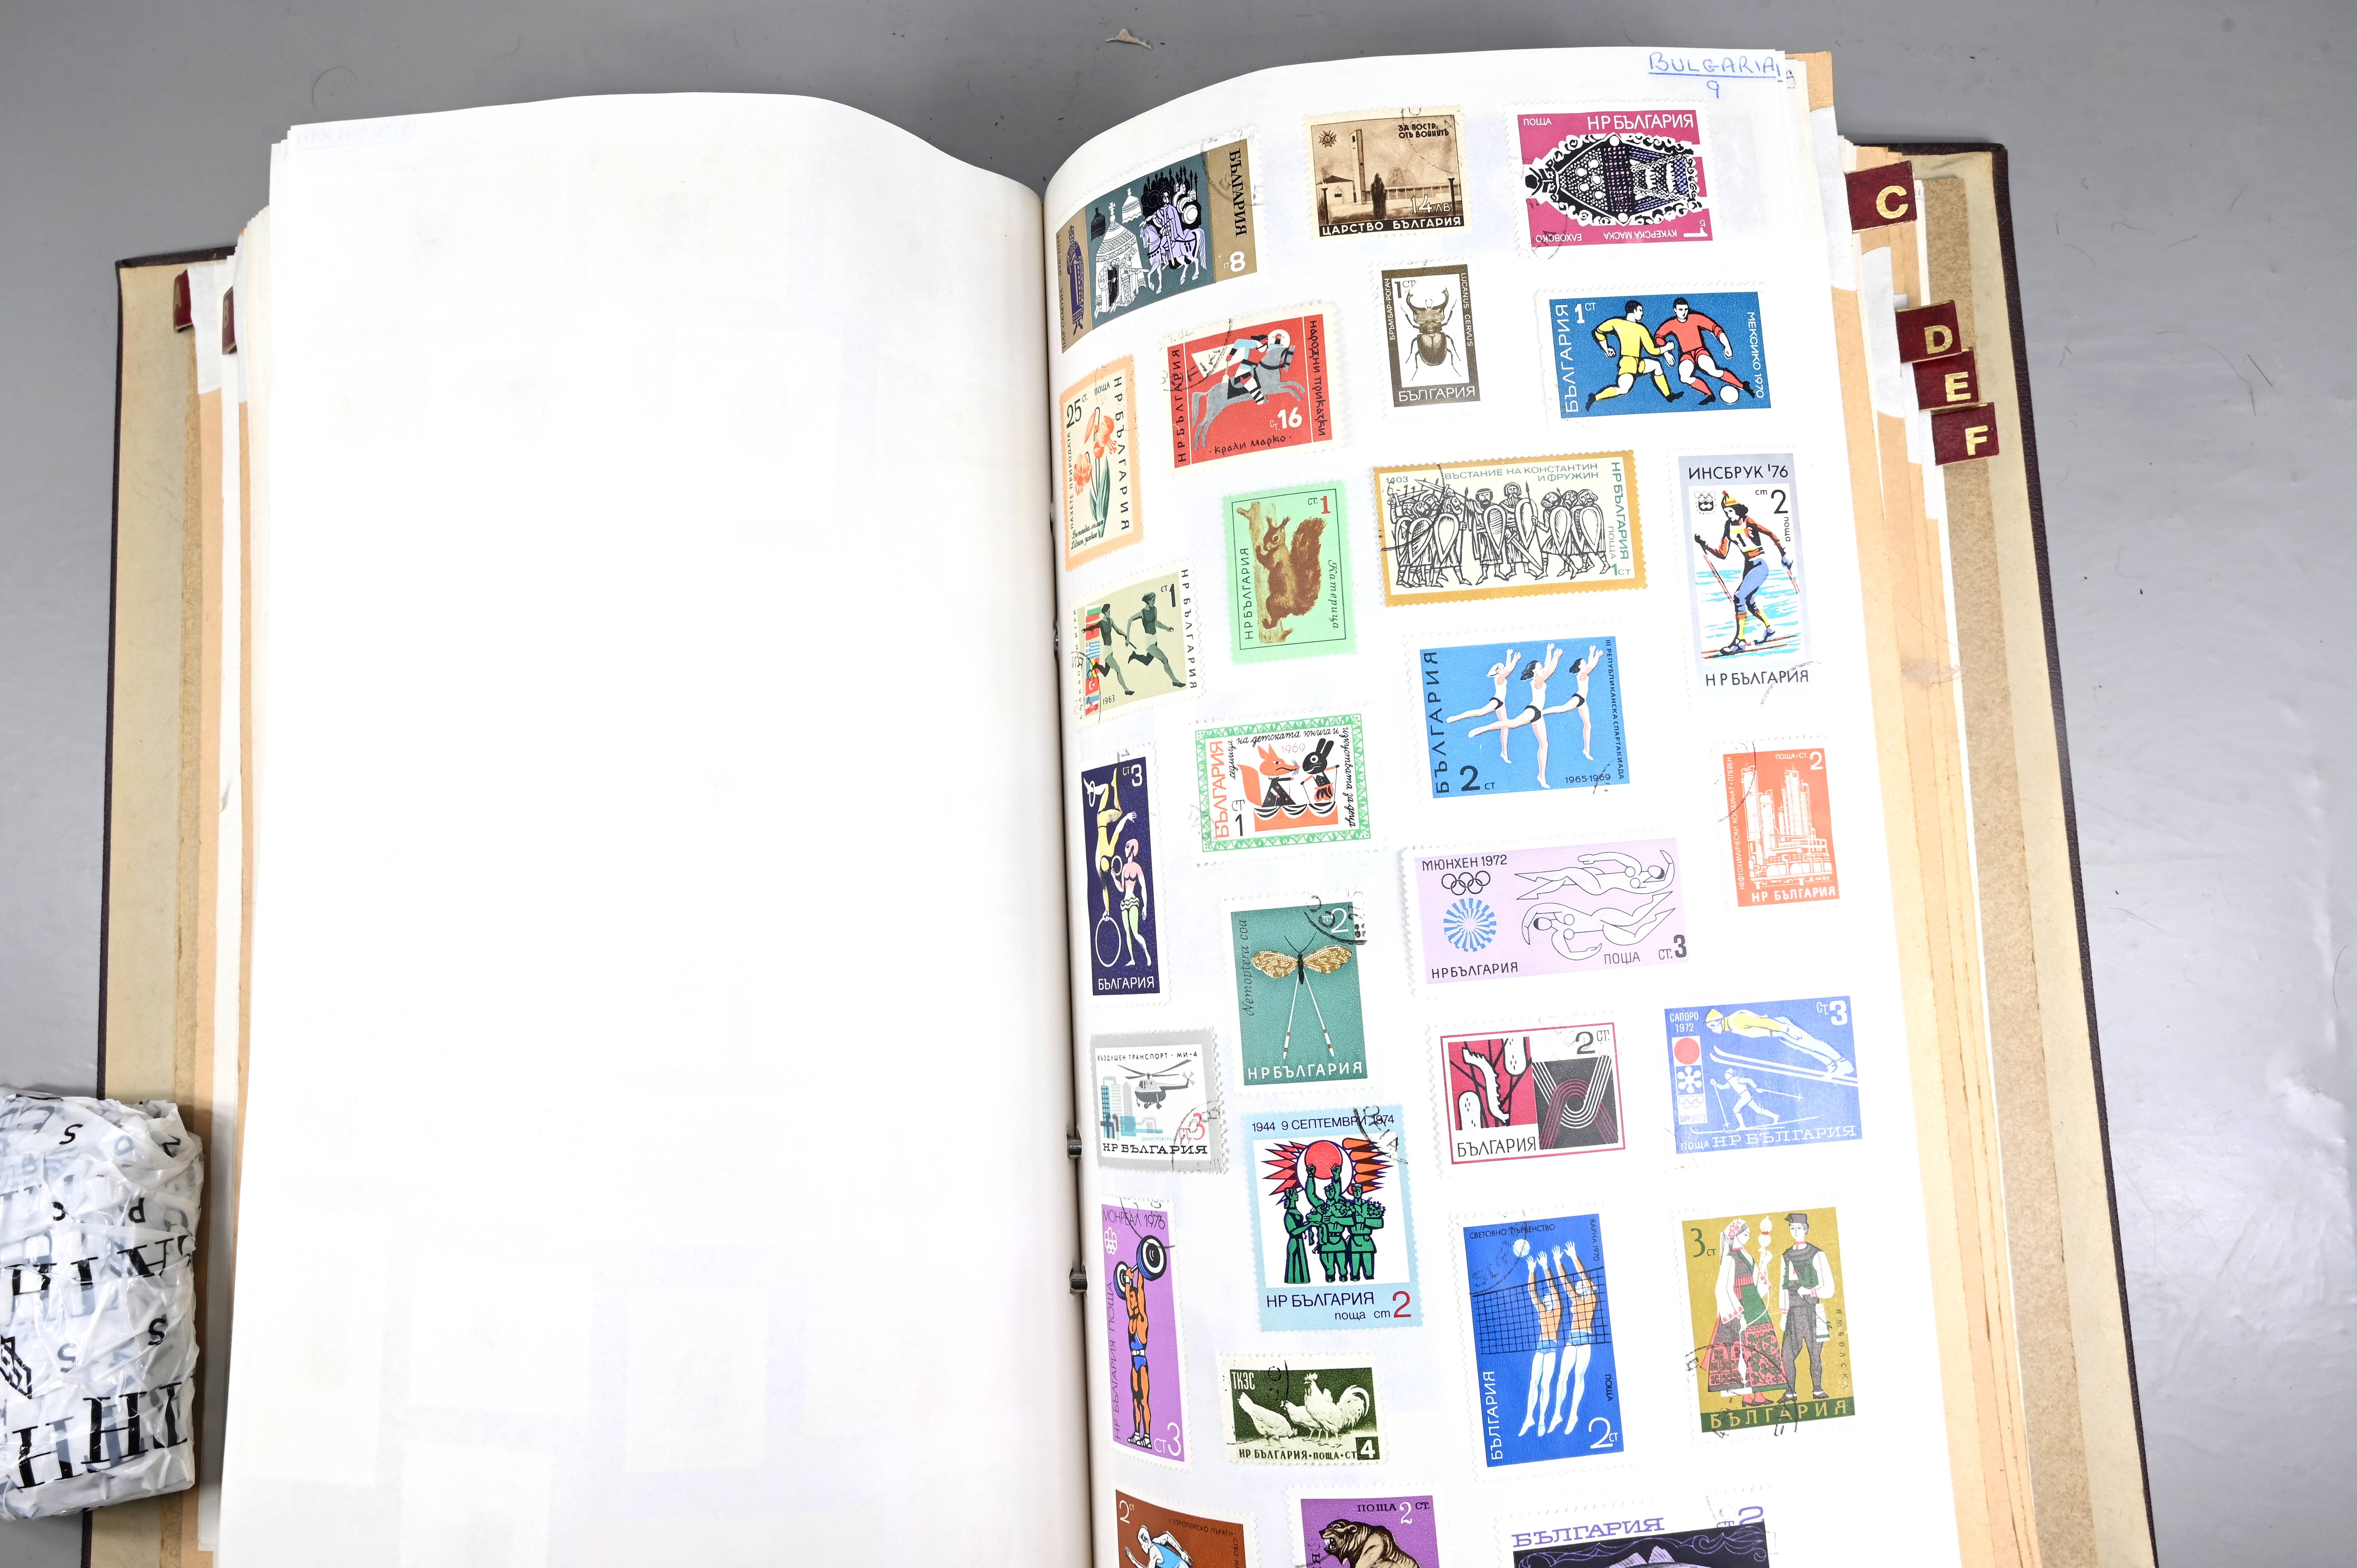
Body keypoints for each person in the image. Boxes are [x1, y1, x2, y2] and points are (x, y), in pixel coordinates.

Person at [1705, 1217, 1789, 1406]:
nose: (1748, 1237)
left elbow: (1757, 1282)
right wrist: (1738, 1315)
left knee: (1759, 1349)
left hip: (1754, 1304)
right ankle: (1746, 1397)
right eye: (1745, 1234)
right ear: (1735, 1234)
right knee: (1743, 1352)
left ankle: (1759, 1395)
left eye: (1749, 1234)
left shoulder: (1748, 1255)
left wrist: (1765, 1264)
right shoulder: (1729, 1258)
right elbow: (1723, 1289)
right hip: (1740, 1306)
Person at [1693, 496, 1791, 653]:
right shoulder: (1728, 526)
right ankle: (1769, 628)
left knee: (1739, 597)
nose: (1728, 515)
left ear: (1738, 510)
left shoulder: (1748, 521)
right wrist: (1705, 545)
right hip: (1748, 567)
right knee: (1749, 602)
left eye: (1730, 511)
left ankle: (1740, 641)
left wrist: (1784, 554)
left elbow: (1770, 534)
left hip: (1759, 565)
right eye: (1726, 512)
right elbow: (1722, 554)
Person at [1655, 297, 1757, 403]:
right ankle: (1710, 395)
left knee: (1713, 371)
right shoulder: (1671, 324)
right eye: (1680, 310)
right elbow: (1659, 336)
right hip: (1687, 355)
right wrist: (1666, 353)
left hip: (1700, 351)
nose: (1684, 313)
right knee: (1684, 378)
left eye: (1686, 310)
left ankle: (1743, 386)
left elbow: (1715, 328)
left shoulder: (1695, 318)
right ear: (1675, 310)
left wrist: (1727, 345)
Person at [1779, 1213, 1836, 1400]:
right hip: (1793, 1313)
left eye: (1799, 1228)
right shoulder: (1786, 1256)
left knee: (1815, 1354)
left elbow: (1829, 1288)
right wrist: (1783, 1314)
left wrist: (1810, 1291)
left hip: (1812, 1310)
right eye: (1792, 1228)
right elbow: (1783, 1287)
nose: (1795, 1232)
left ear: (1806, 1230)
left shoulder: (1817, 1254)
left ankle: (1817, 1389)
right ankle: (1790, 1392)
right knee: (1787, 1355)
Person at [1705, 1006, 1849, 1076]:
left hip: (1780, 1027)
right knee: (1805, 1049)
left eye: (1712, 1026)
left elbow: (1765, 1023)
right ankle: (1832, 1065)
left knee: (1811, 1044)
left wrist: (1787, 1029)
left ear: (1719, 1021)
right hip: (1777, 1032)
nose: (1712, 1030)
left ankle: (1843, 1064)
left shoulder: (1737, 1020)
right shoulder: (1732, 1024)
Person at [1586, 300, 1679, 409]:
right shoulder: (1635, 327)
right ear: (1634, 311)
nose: (1642, 313)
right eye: (1640, 310)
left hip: (1637, 363)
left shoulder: (1621, 324)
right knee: (1623, 389)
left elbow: (1599, 332)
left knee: (1656, 365)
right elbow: (1652, 351)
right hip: (1629, 363)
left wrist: (1607, 349)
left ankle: (1669, 396)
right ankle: (1595, 398)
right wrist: (1667, 348)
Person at [1549, 1244, 1601, 1435]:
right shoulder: (1576, 1300)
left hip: (1585, 1341)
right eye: (1578, 1287)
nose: (1579, 1287)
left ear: (1589, 1288)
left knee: (1579, 1377)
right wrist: (1557, 1263)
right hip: (1572, 1340)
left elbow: (1583, 1278)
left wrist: (1574, 1258)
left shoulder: (1592, 1299)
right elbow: (1565, 1283)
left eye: (1582, 1286)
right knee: (1562, 1378)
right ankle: (1557, 1415)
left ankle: (1573, 1416)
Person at [1443, 648, 1521, 763]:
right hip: (1497, 701)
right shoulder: (1499, 679)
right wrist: (1515, 659)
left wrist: (1508, 655)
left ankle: (1504, 752)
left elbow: (1507, 669)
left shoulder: (1502, 676)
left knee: (1505, 726)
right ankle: (1457, 717)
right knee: (1481, 712)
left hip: (1502, 705)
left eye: (1503, 667)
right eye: (1501, 668)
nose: (1504, 669)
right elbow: (1509, 670)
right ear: (1497, 672)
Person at [1519, 1244, 1564, 1437]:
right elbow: (1532, 1292)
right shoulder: (1542, 1310)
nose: (1546, 1298)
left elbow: (1553, 1290)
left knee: (1546, 1385)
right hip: (1541, 1348)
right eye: (1545, 1298)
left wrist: (1546, 1268)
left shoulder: (1558, 1310)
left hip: (1552, 1349)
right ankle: (1529, 1418)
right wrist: (1532, 1271)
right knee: (1533, 1383)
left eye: (1549, 1298)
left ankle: (1543, 1419)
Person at [1118, 1260, 1154, 1447]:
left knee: (1144, 1401)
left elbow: (1140, 1291)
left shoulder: (1141, 1319)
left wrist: (1140, 1270)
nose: (1131, 1302)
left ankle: (1147, 1437)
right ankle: (1137, 1433)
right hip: (1134, 1364)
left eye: (1133, 1299)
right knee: (1135, 1400)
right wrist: (1127, 1280)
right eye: (1130, 1299)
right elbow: (1128, 1295)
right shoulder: (1131, 1319)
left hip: (1142, 1364)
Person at [1120, 589, 1186, 689]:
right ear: (1149, 601)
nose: (1155, 602)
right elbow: (1130, 620)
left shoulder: (1155, 609)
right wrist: (1128, 637)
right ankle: (1175, 681)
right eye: (1153, 600)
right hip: (1149, 642)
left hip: (1155, 640)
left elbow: (1156, 623)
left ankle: (1135, 655)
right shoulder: (1142, 613)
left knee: (1147, 662)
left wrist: (1166, 628)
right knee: (1165, 660)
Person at [1115, 837, 1152, 967]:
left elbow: (1143, 888)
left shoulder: (1137, 868)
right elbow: (1122, 889)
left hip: (1133, 902)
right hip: (1124, 903)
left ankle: (1147, 954)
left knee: (1136, 934)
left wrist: (1145, 906)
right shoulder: (1125, 868)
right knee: (1128, 933)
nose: (1125, 850)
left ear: (1132, 849)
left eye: (1127, 847)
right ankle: (1132, 959)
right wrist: (1114, 878)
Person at [1713, 1067, 1779, 1128]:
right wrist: (1715, 1084)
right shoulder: (1730, 1083)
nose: (1726, 1077)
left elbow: (1749, 1080)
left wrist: (1756, 1088)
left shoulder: (1738, 1079)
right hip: (1746, 1096)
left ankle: (1742, 1126)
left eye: (1727, 1075)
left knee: (1736, 1110)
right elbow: (1722, 1087)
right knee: (1758, 1110)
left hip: (1746, 1096)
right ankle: (1775, 1116)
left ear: (1730, 1075)